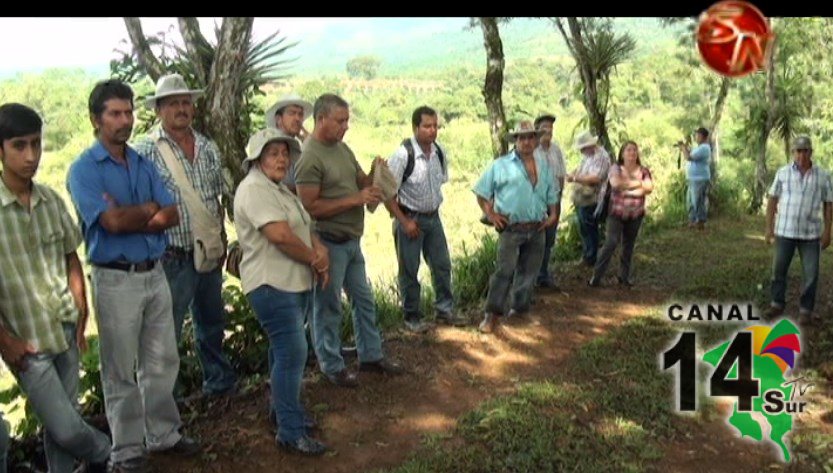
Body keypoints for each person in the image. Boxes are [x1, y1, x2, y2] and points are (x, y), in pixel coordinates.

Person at [67, 79, 199, 472]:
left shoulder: (140, 161)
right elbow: (111, 222)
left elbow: (172, 212)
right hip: (115, 279)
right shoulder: (84, 169)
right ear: (96, 119)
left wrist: (134, 213)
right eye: (114, 113)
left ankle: (163, 434)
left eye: (128, 112)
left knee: (162, 360)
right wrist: (147, 210)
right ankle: (125, 451)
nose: (124, 120)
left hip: (154, 271)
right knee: (120, 369)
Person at [0, 102, 111, 473]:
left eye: (36, 143)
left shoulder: (49, 200)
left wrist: (81, 310)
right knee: (66, 427)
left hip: (63, 328)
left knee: (60, 426)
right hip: (25, 340)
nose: (31, 155)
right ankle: (110, 452)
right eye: (19, 145)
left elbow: (70, 256)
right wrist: (5, 340)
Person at [134, 73, 237, 397]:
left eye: (185, 102)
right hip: (171, 256)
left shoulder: (208, 147)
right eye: (173, 103)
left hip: (209, 251)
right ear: (159, 110)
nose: (181, 108)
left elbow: (222, 195)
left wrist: (226, 241)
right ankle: (168, 400)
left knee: (212, 324)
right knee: (166, 332)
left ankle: (217, 383)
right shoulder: (145, 152)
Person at [295, 93, 403, 387]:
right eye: (340, 121)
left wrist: (373, 173)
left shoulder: (342, 149)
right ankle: (331, 366)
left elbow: (360, 183)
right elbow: (309, 207)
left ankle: (370, 355)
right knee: (328, 306)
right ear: (321, 120)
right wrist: (355, 199)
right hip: (328, 241)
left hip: (351, 239)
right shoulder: (310, 157)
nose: (346, 126)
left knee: (364, 299)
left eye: (347, 120)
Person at [234, 128, 329, 455]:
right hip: (271, 285)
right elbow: (282, 237)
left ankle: (283, 412)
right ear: (257, 158)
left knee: (282, 351)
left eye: (284, 153)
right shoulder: (254, 190)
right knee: (292, 353)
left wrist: (318, 249)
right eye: (273, 152)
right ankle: (290, 430)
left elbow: (303, 227)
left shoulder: (277, 189)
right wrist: (315, 260)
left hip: (290, 283)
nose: (281, 158)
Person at [384, 106, 465, 333]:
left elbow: (441, 182)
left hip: (433, 217)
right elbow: (386, 194)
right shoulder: (403, 155)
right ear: (415, 127)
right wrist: (404, 221)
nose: (432, 131)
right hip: (410, 218)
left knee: (442, 265)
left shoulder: (439, 152)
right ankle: (412, 318)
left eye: (435, 126)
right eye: (427, 126)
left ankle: (445, 309)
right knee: (409, 270)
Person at [473, 120, 559, 333]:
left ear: (536, 140)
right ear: (516, 141)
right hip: (511, 228)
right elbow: (481, 192)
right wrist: (491, 215)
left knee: (529, 272)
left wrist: (554, 213)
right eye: (522, 138)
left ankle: (520, 311)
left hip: (537, 227)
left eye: (531, 137)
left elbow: (551, 193)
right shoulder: (501, 165)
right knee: (504, 271)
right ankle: (491, 315)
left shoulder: (544, 166)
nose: (527, 142)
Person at [764, 136, 833, 324]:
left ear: (811, 152)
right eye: (798, 151)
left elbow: (828, 204)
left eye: (805, 151)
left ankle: (805, 310)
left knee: (811, 274)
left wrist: (828, 231)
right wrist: (769, 228)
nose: (801, 155)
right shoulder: (783, 173)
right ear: (793, 153)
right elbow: (772, 200)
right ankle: (777, 304)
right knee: (778, 270)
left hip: (810, 234)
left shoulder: (823, 176)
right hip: (784, 231)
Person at [588, 141, 654, 287]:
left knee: (628, 245)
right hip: (616, 213)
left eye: (634, 150)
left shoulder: (644, 170)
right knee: (611, 242)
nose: (632, 153)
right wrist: (638, 184)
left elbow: (649, 188)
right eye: (628, 150)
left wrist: (628, 187)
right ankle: (596, 276)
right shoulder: (615, 168)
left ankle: (623, 277)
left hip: (635, 214)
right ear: (622, 153)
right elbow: (616, 183)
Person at [567, 131, 611, 266]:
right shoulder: (588, 156)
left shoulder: (601, 156)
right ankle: (587, 255)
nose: (581, 151)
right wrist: (575, 173)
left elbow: (595, 178)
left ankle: (592, 257)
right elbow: (582, 168)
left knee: (589, 227)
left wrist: (575, 178)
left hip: (594, 197)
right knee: (584, 227)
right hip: (583, 197)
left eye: (583, 148)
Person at [533, 114, 566, 288]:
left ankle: (543, 274)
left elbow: (561, 174)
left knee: (549, 239)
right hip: (537, 203)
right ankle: (532, 277)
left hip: (554, 201)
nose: (549, 131)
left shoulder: (556, 150)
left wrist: (559, 194)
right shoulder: (531, 151)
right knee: (536, 239)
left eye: (551, 128)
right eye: (545, 127)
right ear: (537, 130)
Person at [264, 93, 313, 193]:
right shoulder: (270, 147)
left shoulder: (300, 147)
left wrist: (312, 146)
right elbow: (277, 187)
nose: (297, 118)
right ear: (278, 119)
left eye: (300, 114)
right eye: (292, 113)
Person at [680, 127, 711, 229]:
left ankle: (700, 222)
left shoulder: (704, 148)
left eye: (697, 135)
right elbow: (690, 154)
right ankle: (693, 221)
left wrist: (683, 148)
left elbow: (688, 157)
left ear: (703, 136)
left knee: (697, 201)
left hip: (699, 179)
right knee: (690, 201)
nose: (696, 137)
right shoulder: (698, 147)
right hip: (693, 179)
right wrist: (685, 147)